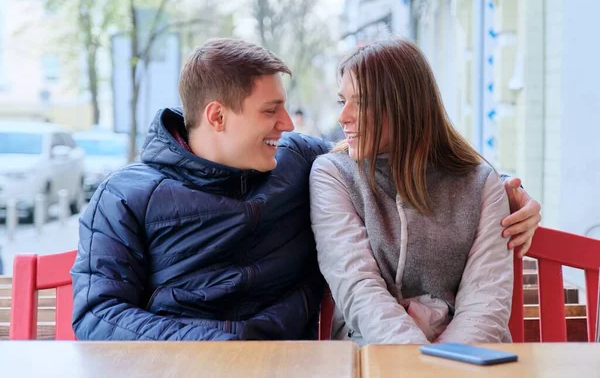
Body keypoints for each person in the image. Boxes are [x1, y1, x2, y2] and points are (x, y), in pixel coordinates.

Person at [71, 38, 540, 341]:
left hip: (288, 368)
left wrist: (502, 190)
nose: (289, 123)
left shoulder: (298, 161)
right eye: (270, 110)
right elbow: (96, 318)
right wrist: (218, 347)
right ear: (216, 116)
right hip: (175, 368)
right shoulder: (122, 195)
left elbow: (401, 157)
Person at [310, 39, 524, 345]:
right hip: (372, 355)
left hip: (467, 362)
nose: (343, 117)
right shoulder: (333, 175)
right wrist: (416, 364)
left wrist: (444, 365)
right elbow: (358, 286)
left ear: (404, 105)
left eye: (363, 102)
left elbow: (486, 301)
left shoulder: (482, 184)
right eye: (341, 101)